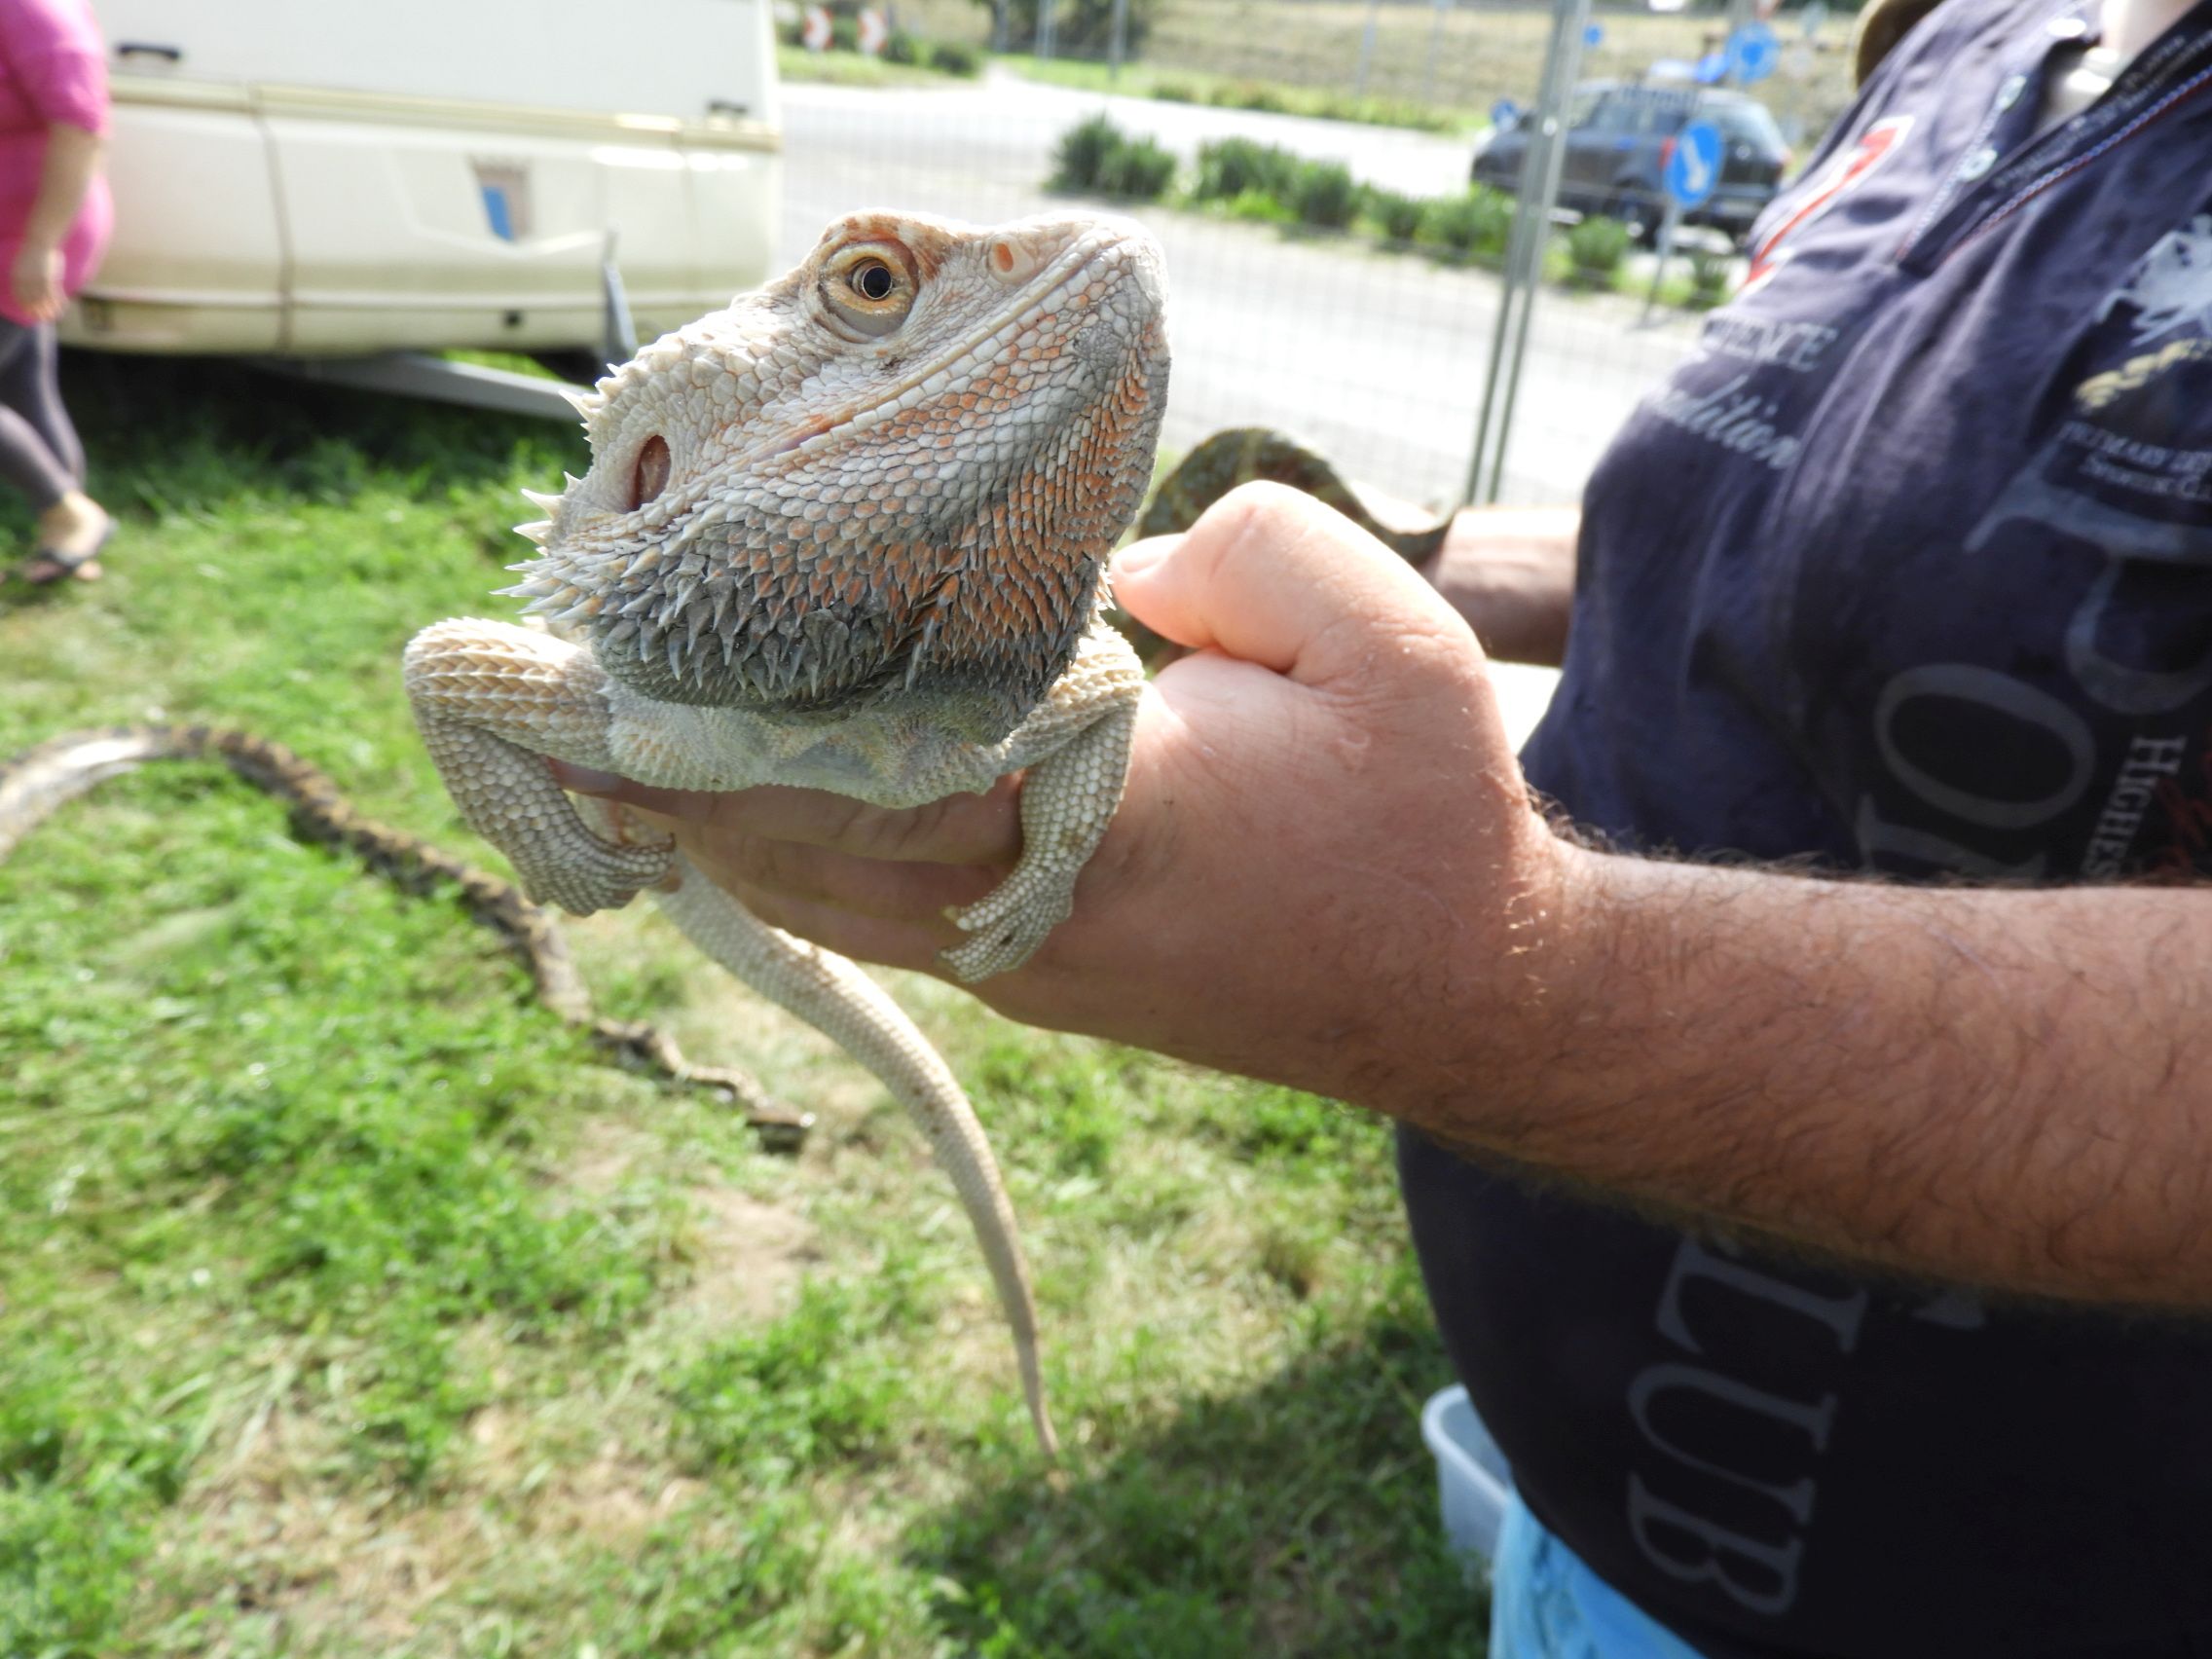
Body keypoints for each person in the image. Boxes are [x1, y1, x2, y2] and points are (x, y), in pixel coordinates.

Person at [552, 0, 2212, 1648]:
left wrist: (1497, 976)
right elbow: (1776, 507)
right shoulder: (1968, 38)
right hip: (1583, 1489)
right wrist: (1367, 551)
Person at [0, 0, 110, 585]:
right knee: (25, 385)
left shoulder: (36, 13)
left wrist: (42, 244)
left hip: (29, 236)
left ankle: (68, 513)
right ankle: (71, 546)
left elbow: (80, 124)